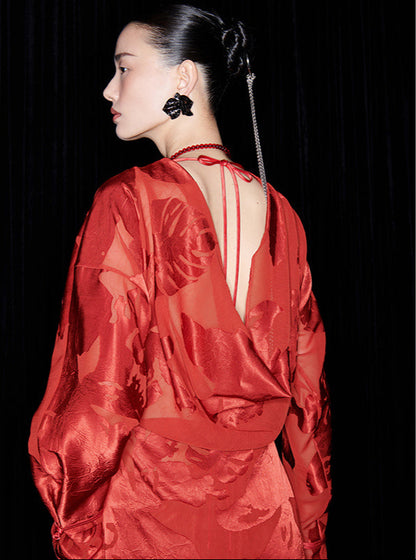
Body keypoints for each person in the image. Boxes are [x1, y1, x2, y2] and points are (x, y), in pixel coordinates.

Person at [28, 4, 331, 559]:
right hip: (266, 512)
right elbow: (309, 396)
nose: (108, 89)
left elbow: (99, 389)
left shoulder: (128, 199)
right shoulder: (283, 214)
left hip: (152, 510)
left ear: (184, 76)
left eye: (124, 67)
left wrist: (75, 520)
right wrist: (309, 525)